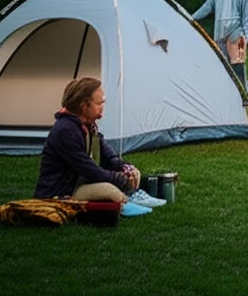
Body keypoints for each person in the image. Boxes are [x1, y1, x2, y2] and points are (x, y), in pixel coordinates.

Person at [34, 77, 163, 210]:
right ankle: (126, 200)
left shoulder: (88, 126)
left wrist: (126, 168)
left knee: (116, 181)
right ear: (84, 105)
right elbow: (89, 170)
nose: (103, 107)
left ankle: (130, 195)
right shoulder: (66, 130)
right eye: (99, 103)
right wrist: (121, 180)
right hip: (59, 192)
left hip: (77, 185)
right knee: (110, 191)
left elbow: (109, 156)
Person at [191, 0, 248, 95]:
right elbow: (207, 7)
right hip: (220, 33)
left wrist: (244, 39)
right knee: (221, 66)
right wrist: (191, 18)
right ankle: (222, 95)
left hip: (236, 34)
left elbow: (247, 18)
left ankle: (242, 95)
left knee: (237, 64)